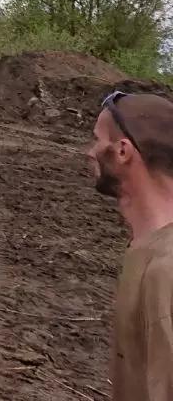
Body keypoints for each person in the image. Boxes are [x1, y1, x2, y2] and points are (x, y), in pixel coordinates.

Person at [87, 90, 173, 400]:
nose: (90, 152)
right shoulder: (146, 248)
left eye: (97, 140)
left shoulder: (167, 270)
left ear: (122, 151)